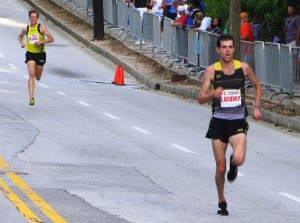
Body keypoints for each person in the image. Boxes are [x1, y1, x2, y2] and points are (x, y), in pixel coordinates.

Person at [198, 34, 262, 216]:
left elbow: (258, 85)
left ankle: (234, 165)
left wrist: (257, 107)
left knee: (239, 159)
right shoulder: (211, 71)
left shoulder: (243, 68)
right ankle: (221, 200)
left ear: (234, 49)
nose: (227, 50)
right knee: (220, 168)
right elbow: (200, 98)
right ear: (218, 50)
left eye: (230, 47)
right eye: (224, 47)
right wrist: (212, 95)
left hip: (237, 122)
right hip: (218, 123)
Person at [18, 9, 54, 106]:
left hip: (40, 54)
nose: (33, 18)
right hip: (30, 53)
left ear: (37, 18)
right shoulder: (26, 29)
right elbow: (20, 36)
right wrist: (22, 43)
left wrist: (41, 42)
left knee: (37, 77)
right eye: (31, 17)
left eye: (35, 17)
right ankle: (32, 98)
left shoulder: (41, 27)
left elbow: (51, 39)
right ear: (29, 17)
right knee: (31, 74)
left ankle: (37, 78)